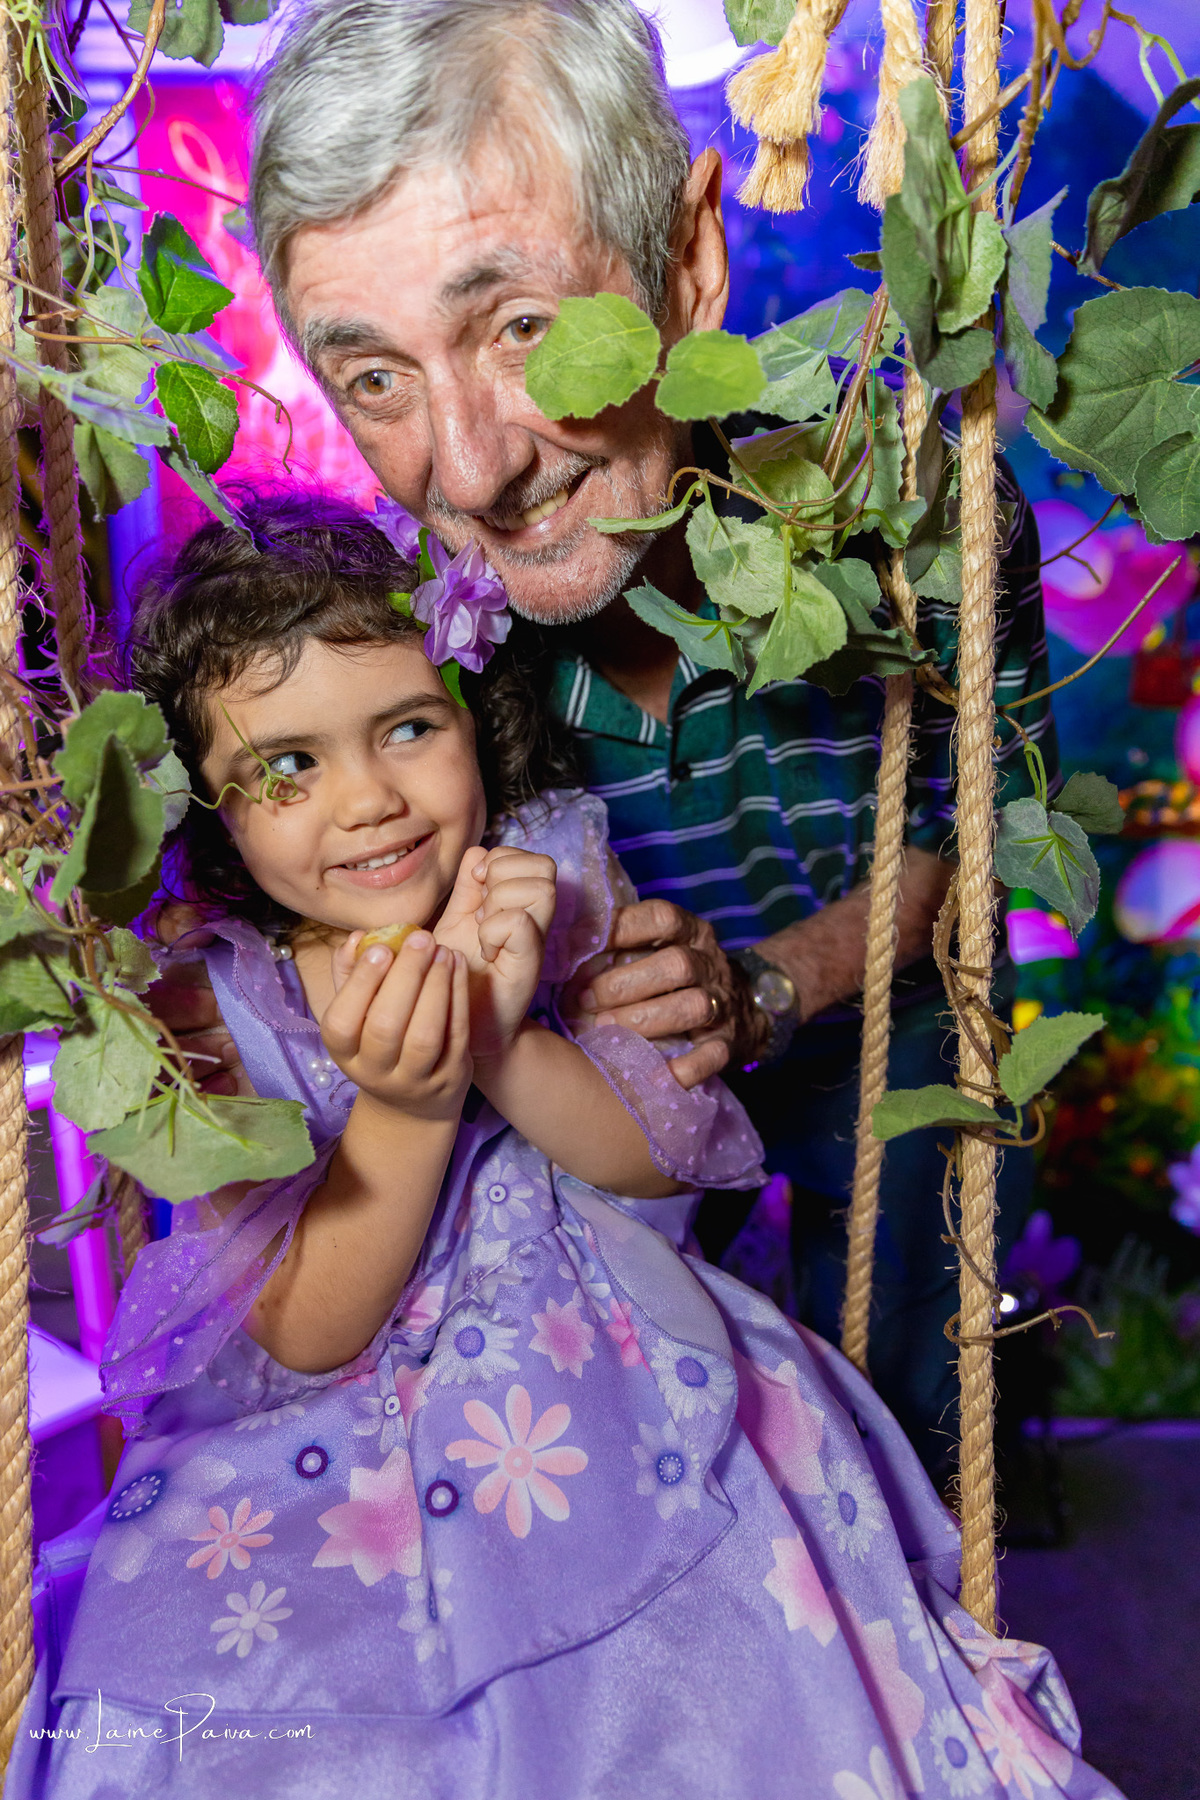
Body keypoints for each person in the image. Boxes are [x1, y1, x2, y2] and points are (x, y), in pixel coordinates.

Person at [8, 494, 1117, 1800]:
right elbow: (306, 1331)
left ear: (476, 721)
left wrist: (497, 1034)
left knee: (712, 1683)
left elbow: (660, 1162)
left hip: (614, 1383)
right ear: (212, 802)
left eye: (408, 730)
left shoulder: (560, 875)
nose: (367, 801)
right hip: (323, 1457)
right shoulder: (211, 997)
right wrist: (405, 1109)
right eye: (288, 766)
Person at [148, 0, 1057, 1478]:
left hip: (884, 1060)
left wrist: (768, 987)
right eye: (377, 375)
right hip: (585, 1204)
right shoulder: (402, 630)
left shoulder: (925, 520)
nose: (473, 467)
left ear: (688, 261)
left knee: (898, 1434)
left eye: (521, 327)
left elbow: (986, 838)